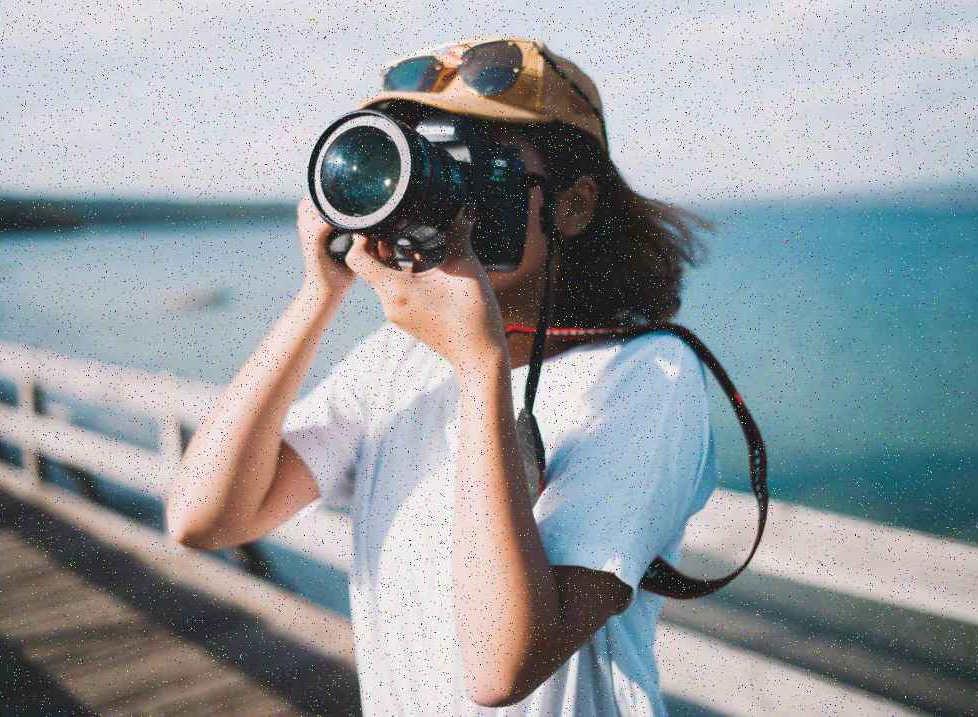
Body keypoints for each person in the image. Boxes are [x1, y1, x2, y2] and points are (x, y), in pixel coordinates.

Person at [165, 35, 719, 716]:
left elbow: (498, 667)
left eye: (480, 172)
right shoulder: (397, 358)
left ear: (573, 205)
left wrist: (479, 364)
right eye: (430, 165)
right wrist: (319, 291)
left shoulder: (646, 376)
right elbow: (204, 517)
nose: (449, 204)